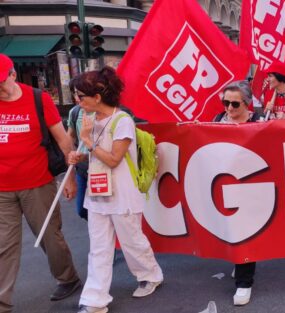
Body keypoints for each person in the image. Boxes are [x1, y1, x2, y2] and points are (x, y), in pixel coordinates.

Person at [68, 67, 164, 313]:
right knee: (98, 248)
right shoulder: (91, 120)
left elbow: (113, 160)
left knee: (132, 241)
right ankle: (94, 300)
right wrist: (76, 157)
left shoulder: (122, 121)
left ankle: (151, 275)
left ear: (97, 97)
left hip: (122, 194)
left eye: (81, 96)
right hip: (97, 193)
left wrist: (88, 141)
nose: (77, 101)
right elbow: (94, 158)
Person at [0, 53, 81, 313]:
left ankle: (68, 278)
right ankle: (2, 302)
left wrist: (69, 176)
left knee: (49, 236)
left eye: (1, 82)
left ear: (12, 75)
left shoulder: (37, 98)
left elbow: (63, 139)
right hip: (2, 187)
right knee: (4, 244)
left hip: (37, 182)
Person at [210, 84, 260, 305]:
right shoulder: (216, 120)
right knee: (229, 230)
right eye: (225, 102)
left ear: (247, 103)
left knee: (244, 233)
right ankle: (239, 260)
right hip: (221, 185)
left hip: (251, 187)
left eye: (235, 104)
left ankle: (244, 282)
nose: (229, 108)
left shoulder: (260, 123)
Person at [67, 82, 89, 221]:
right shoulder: (75, 112)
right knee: (82, 209)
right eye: (75, 94)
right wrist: (71, 153)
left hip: (102, 167)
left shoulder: (104, 113)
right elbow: (70, 135)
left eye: (80, 95)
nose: (77, 98)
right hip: (82, 168)